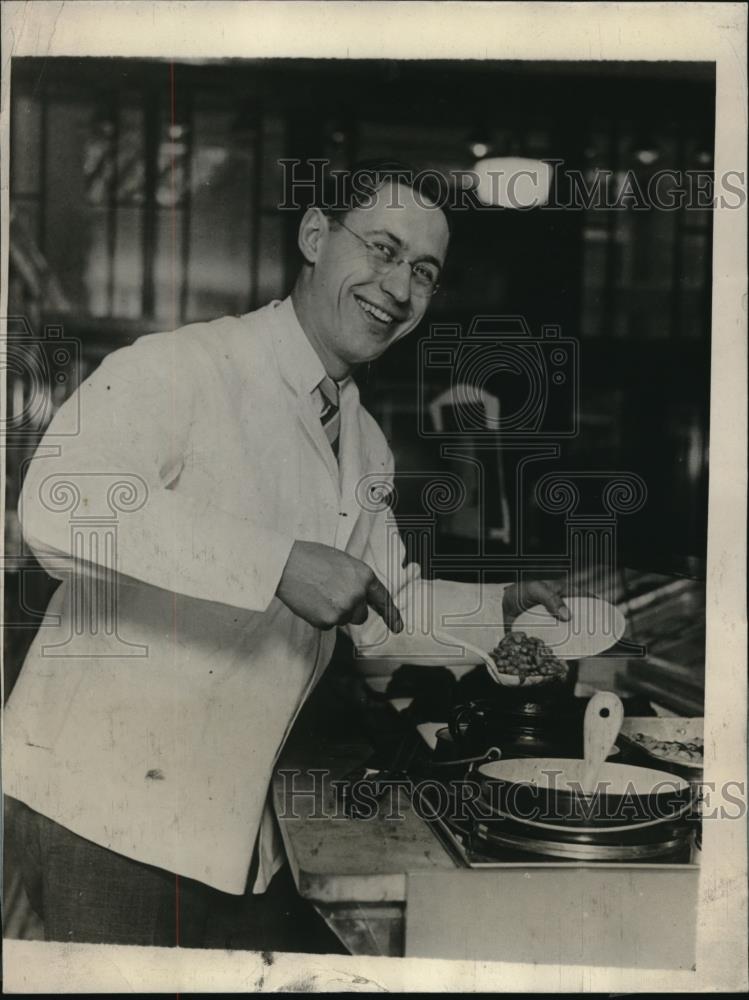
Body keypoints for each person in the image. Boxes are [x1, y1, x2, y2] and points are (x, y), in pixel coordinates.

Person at [3, 160, 571, 949]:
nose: (397, 288)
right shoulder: (183, 366)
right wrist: (277, 563)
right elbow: (59, 505)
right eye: (380, 248)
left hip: (225, 827)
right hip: (104, 816)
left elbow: (378, 607)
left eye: (423, 272)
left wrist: (493, 610)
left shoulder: (362, 440)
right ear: (314, 236)